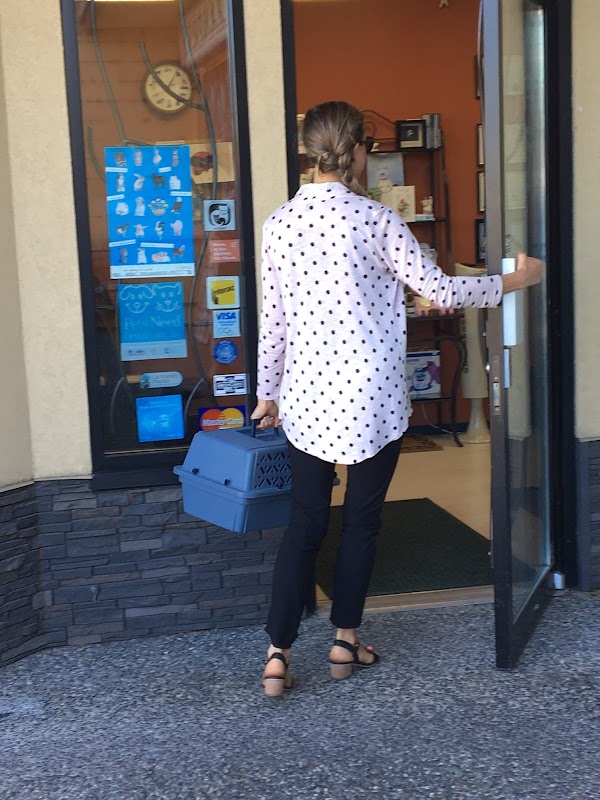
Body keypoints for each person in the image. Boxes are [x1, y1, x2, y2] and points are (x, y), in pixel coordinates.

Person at [251, 100, 543, 697]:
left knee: (304, 524)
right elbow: (439, 290)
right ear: (360, 151)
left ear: (310, 153)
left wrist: (266, 394)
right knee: (361, 522)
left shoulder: (279, 224)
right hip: (371, 398)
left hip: (306, 397)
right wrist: (518, 279)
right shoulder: (377, 219)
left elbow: (273, 322)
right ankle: (344, 642)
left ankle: (277, 654)